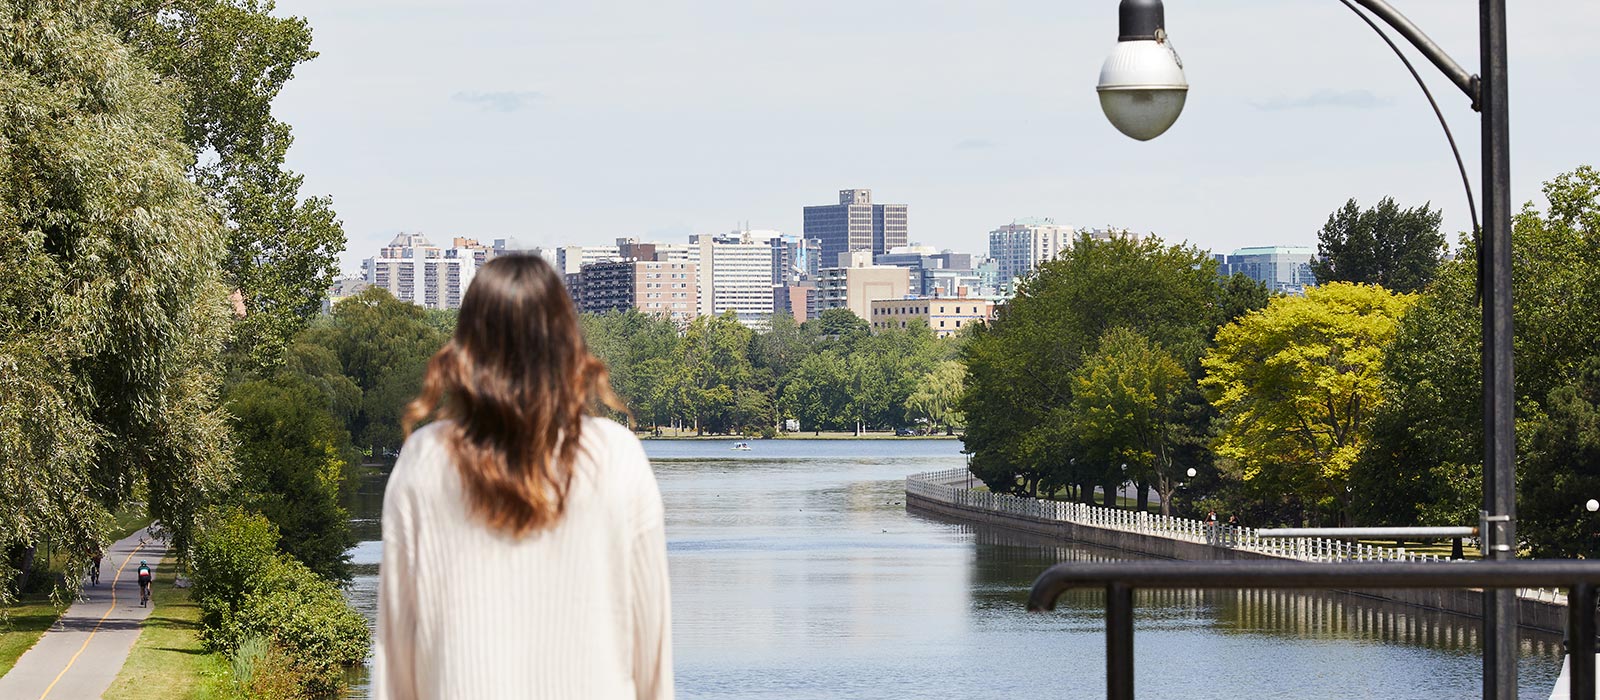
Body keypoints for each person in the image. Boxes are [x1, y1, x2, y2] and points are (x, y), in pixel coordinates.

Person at [375, 255, 673, 700]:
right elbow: (652, 658)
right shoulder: (619, 457)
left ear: (468, 346)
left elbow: (395, 663)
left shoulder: (424, 460)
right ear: (566, 343)